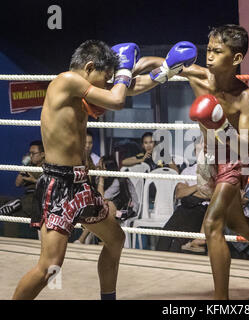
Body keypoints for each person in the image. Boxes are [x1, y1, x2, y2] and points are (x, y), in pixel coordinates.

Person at [129, 25, 249, 299]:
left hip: (233, 161)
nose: (209, 56)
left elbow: (245, 148)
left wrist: (219, 125)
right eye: (209, 49)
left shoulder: (245, 97)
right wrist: (129, 69)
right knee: (238, 223)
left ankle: (221, 300)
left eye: (218, 51)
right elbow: (156, 64)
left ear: (237, 58)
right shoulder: (197, 75)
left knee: (211, 224)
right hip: (208, 159)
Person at [11, 39, 159, 300]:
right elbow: (117, 99)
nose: (106, 83)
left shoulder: (81, 91)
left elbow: (128, 89)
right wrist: (124, 71)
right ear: (90, 67)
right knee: (49, 267)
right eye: (104, 77)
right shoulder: (66, 81)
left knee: (115, 239)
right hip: (58, 185)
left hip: (81, 184)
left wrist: (167, 70)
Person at [156, 136, 212, 253]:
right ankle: (157, 261)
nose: (200, 153)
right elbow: (179, 193)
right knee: (165, 235)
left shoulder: (213, 170)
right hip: (185, 207)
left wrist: (191, 191)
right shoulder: (188, 171)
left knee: (179, 241)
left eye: (203, 150)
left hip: (203, 210)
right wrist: (198, 186)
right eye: (198, 150)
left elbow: (211, 193)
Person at [0, 140, 45, 217]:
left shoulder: (48, 167)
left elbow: (52, 185)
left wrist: (33, 181)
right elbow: (17, 183)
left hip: (39, 198)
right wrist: (24, 165)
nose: (30, 156)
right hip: (25, 198)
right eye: (29, 153)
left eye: (33, 153)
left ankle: (14, 206)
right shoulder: (30, 166)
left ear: (42, 154)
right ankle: (13, 206)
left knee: (26, 204)